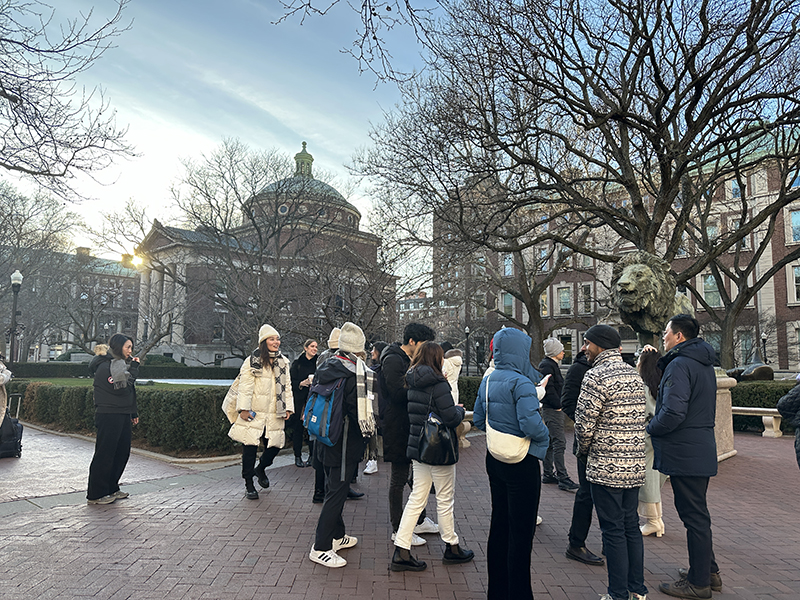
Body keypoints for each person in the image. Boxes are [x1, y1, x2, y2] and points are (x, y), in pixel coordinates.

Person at [648, 315, 722, 599]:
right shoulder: (702, 363)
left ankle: (699, 583)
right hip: (698, 447)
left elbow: (674, 412)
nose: (663, 336)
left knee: (694, 517)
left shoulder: (679, 364)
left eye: (666, 332)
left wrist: (650, 427)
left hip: (684, 450)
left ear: (679, 337)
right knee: (697, 514)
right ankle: (707, 572)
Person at [473, 328, 550, 600]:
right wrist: (545, 436)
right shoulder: (522, 383)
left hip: (495, 459)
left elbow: (479, 419)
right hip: (522, 463)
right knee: (521, 532)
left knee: (500, 525)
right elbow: (531, 425)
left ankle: (497, 591)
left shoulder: (488, 379)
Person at [575, 324, 648, 600]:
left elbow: (583, 426)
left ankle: (618, 594)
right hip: (633, 467)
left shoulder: (595, 376)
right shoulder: (633, 374)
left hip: (606, 467)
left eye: (587, 343)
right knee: (631, 527)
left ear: (599, 345)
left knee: (613, 531)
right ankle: (637, 590)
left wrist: (583, 451)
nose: (584, 348)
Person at [390, 341, 473, 572]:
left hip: (419, 446)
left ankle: (401, 548)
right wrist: (458, 409)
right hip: (439, 448)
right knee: (445, 498)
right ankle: (452, 546)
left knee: (417, 497)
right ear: (438, 359)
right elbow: (451, 418)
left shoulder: (412, 380)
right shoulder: (439, 383)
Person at [309, 322, 376, 568]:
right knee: (337, 492)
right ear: (358, 351)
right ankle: (321, 546)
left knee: (332, 487)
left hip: (324, 437)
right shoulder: (355, 374)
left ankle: (337, 536)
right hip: (345, 442)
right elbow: (360, 413)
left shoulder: (327, 366)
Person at [380, 322, 439, 546]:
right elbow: (396, 393)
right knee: (399, 478)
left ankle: (419, 519)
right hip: (398, 425)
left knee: (417, 476)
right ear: (412, 342)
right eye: (423, 344)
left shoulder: (407, 359)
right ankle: (398, 529)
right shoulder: (394, 359)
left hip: (411, 423)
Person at [228, 324, 293, 500]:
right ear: (264, 342)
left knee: (274, 446)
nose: (276, 342)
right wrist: (243, 409)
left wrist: (288, 407)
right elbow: (245, 387)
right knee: (249, 449)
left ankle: (261, 468)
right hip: (254, 412)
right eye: (272, 339)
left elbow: (287, 387)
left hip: (274, 413)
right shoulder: (252, 361)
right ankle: (249, 483)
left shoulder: (283, 362)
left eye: (277, 339)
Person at [560, 348, 605, 567]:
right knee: (586, 494)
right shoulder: (578, 370)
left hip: (610, 446)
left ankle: (610, 539)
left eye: (588, 343)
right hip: (587, 443)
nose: (584, 347)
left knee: (609, 494)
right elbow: (567, 402)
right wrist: (586, 423)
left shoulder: (613, 369)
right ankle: (576, 543)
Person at [86, 333, 140, 505]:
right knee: (105, 453)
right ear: (118, 347)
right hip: (108, 414)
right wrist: (134, 368)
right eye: (127, 347)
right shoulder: (106, 366)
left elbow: (130, 393)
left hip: (122, 413)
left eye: (131, 347)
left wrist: (133, 413)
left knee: (121, 452)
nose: (130, 351)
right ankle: (96, 494)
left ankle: (111, 487)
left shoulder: (120, 365)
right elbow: (122, 388)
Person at [539, 337, 579, 492]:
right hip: (552, 410)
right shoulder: (548, 366)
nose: (564, 351)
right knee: (559, 442)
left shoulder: (549, 365)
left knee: (551, 443)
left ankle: (548, 473)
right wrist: (558, 406)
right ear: (555, 352)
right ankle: (562, 477)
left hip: (551, 409)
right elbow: (549, 389)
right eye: (561, 349)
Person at [637, 346, 668, 537]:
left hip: (644, 435)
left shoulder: (642, 387)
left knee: (647, 477)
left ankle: (653, 520)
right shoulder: (662, 383)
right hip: (659, 435)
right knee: (654, 477)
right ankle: (657, 520)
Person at [290, 339, 318, 468]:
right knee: (298, 428)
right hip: (300, 401)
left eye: (316, 347)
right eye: (312, 346)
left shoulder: (319, 363)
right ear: (306, 348)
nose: (314, 349)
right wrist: (301, 383)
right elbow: (290, 382)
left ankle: (312, 456)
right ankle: (297, 456)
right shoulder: (297, 364)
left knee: (312, 428)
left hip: (314, 399)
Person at [363, 341, 388, 475]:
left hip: (383, 406)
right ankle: (372, 460)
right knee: (372, 432)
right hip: (375, 407)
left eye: (374, 350)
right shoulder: (372, 371)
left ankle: (373, 460)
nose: (371, 352)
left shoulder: (385, 371)